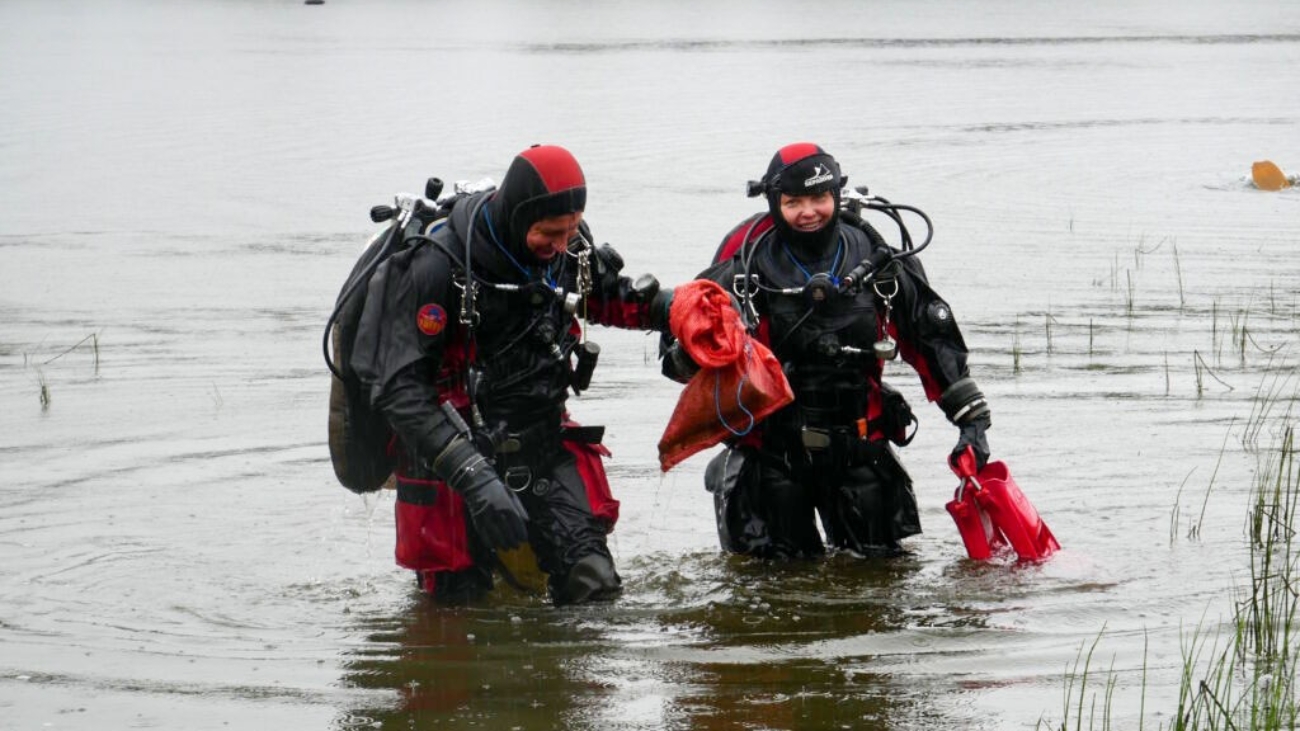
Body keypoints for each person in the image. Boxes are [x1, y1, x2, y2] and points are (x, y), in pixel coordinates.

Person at [351, 144, 671, 604]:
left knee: (595, 587)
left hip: (544, 445)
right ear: (518, 215)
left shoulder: (569, 249)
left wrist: (675, 312)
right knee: (459, 620)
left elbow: (603, 294)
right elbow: (400, 390)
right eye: (549, 233)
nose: (562, 244)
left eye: (572, 229)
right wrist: (474, 477)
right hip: (450, 463)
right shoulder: (435, 267)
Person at [660, 142, 992, 558]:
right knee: (774, 592)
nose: (808, 212)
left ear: (836, 195)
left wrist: (972, 427)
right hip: (771, 456)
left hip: (860, 449)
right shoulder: (745, 266)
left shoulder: (880, 264)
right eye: (793, 201)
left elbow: (933, 343)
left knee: (880, 582)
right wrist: (693, 352)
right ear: (773, 201)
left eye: (819, 198)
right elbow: (677, 351)